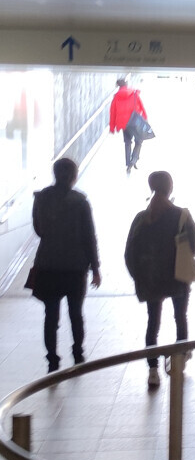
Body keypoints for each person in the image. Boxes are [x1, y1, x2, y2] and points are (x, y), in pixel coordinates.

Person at [124, 171, 195, 389]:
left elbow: (129, 252)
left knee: (152, 324)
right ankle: (179, 361)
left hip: (151, 279)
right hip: (177, 277)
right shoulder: (181, 215)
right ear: (170, 187)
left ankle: (153, 371)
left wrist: (139, 276)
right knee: (180, 318)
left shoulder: (141, 218)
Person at [31, 158, 101, 372]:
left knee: (51, 316)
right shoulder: (80, 202)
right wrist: (95, 268)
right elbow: (89, 236)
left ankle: (52, 360)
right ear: (73, 175)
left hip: (48, 265)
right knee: (76, 313)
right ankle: (78, 353)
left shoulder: (41, 198)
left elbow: (39, 230)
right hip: (75, 267)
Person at [109, 77, 149, 174]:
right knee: (139, 141)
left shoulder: (116, 97)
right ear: (126, 84)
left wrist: (112, 127)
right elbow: (142, 107)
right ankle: (133, 160)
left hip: (123, 124)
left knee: (127, 142)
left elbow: (113, 113)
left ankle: (128, 164)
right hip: (135, 122)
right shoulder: (134, 94)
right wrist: (145, 119)